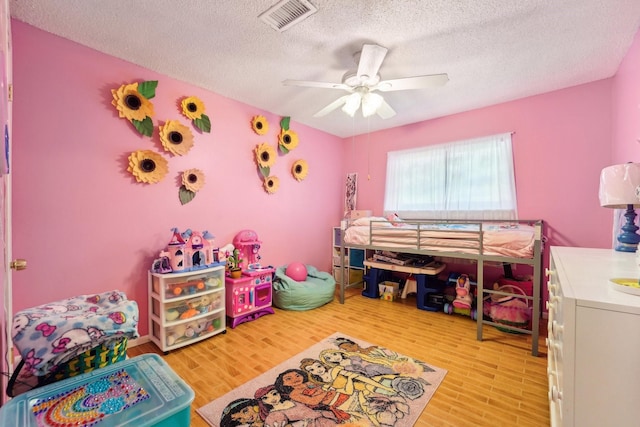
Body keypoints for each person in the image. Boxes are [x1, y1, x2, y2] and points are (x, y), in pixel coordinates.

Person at [274, 369, 350, 422]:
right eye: (289, 379)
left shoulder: (309, 383)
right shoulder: (294, 394)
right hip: (335, 403)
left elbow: (323, 387)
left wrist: (323, 391)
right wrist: (324, 392)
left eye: (297, 376)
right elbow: (313, 401)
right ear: (283, 383)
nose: (295, 379)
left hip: (340, 395)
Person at [254, 384, 337, 427]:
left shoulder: (292, 400)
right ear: (263, 402)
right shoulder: (274, 414)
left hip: (322, 420)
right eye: (266, 398)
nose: (272, 398)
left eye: (274, 394)